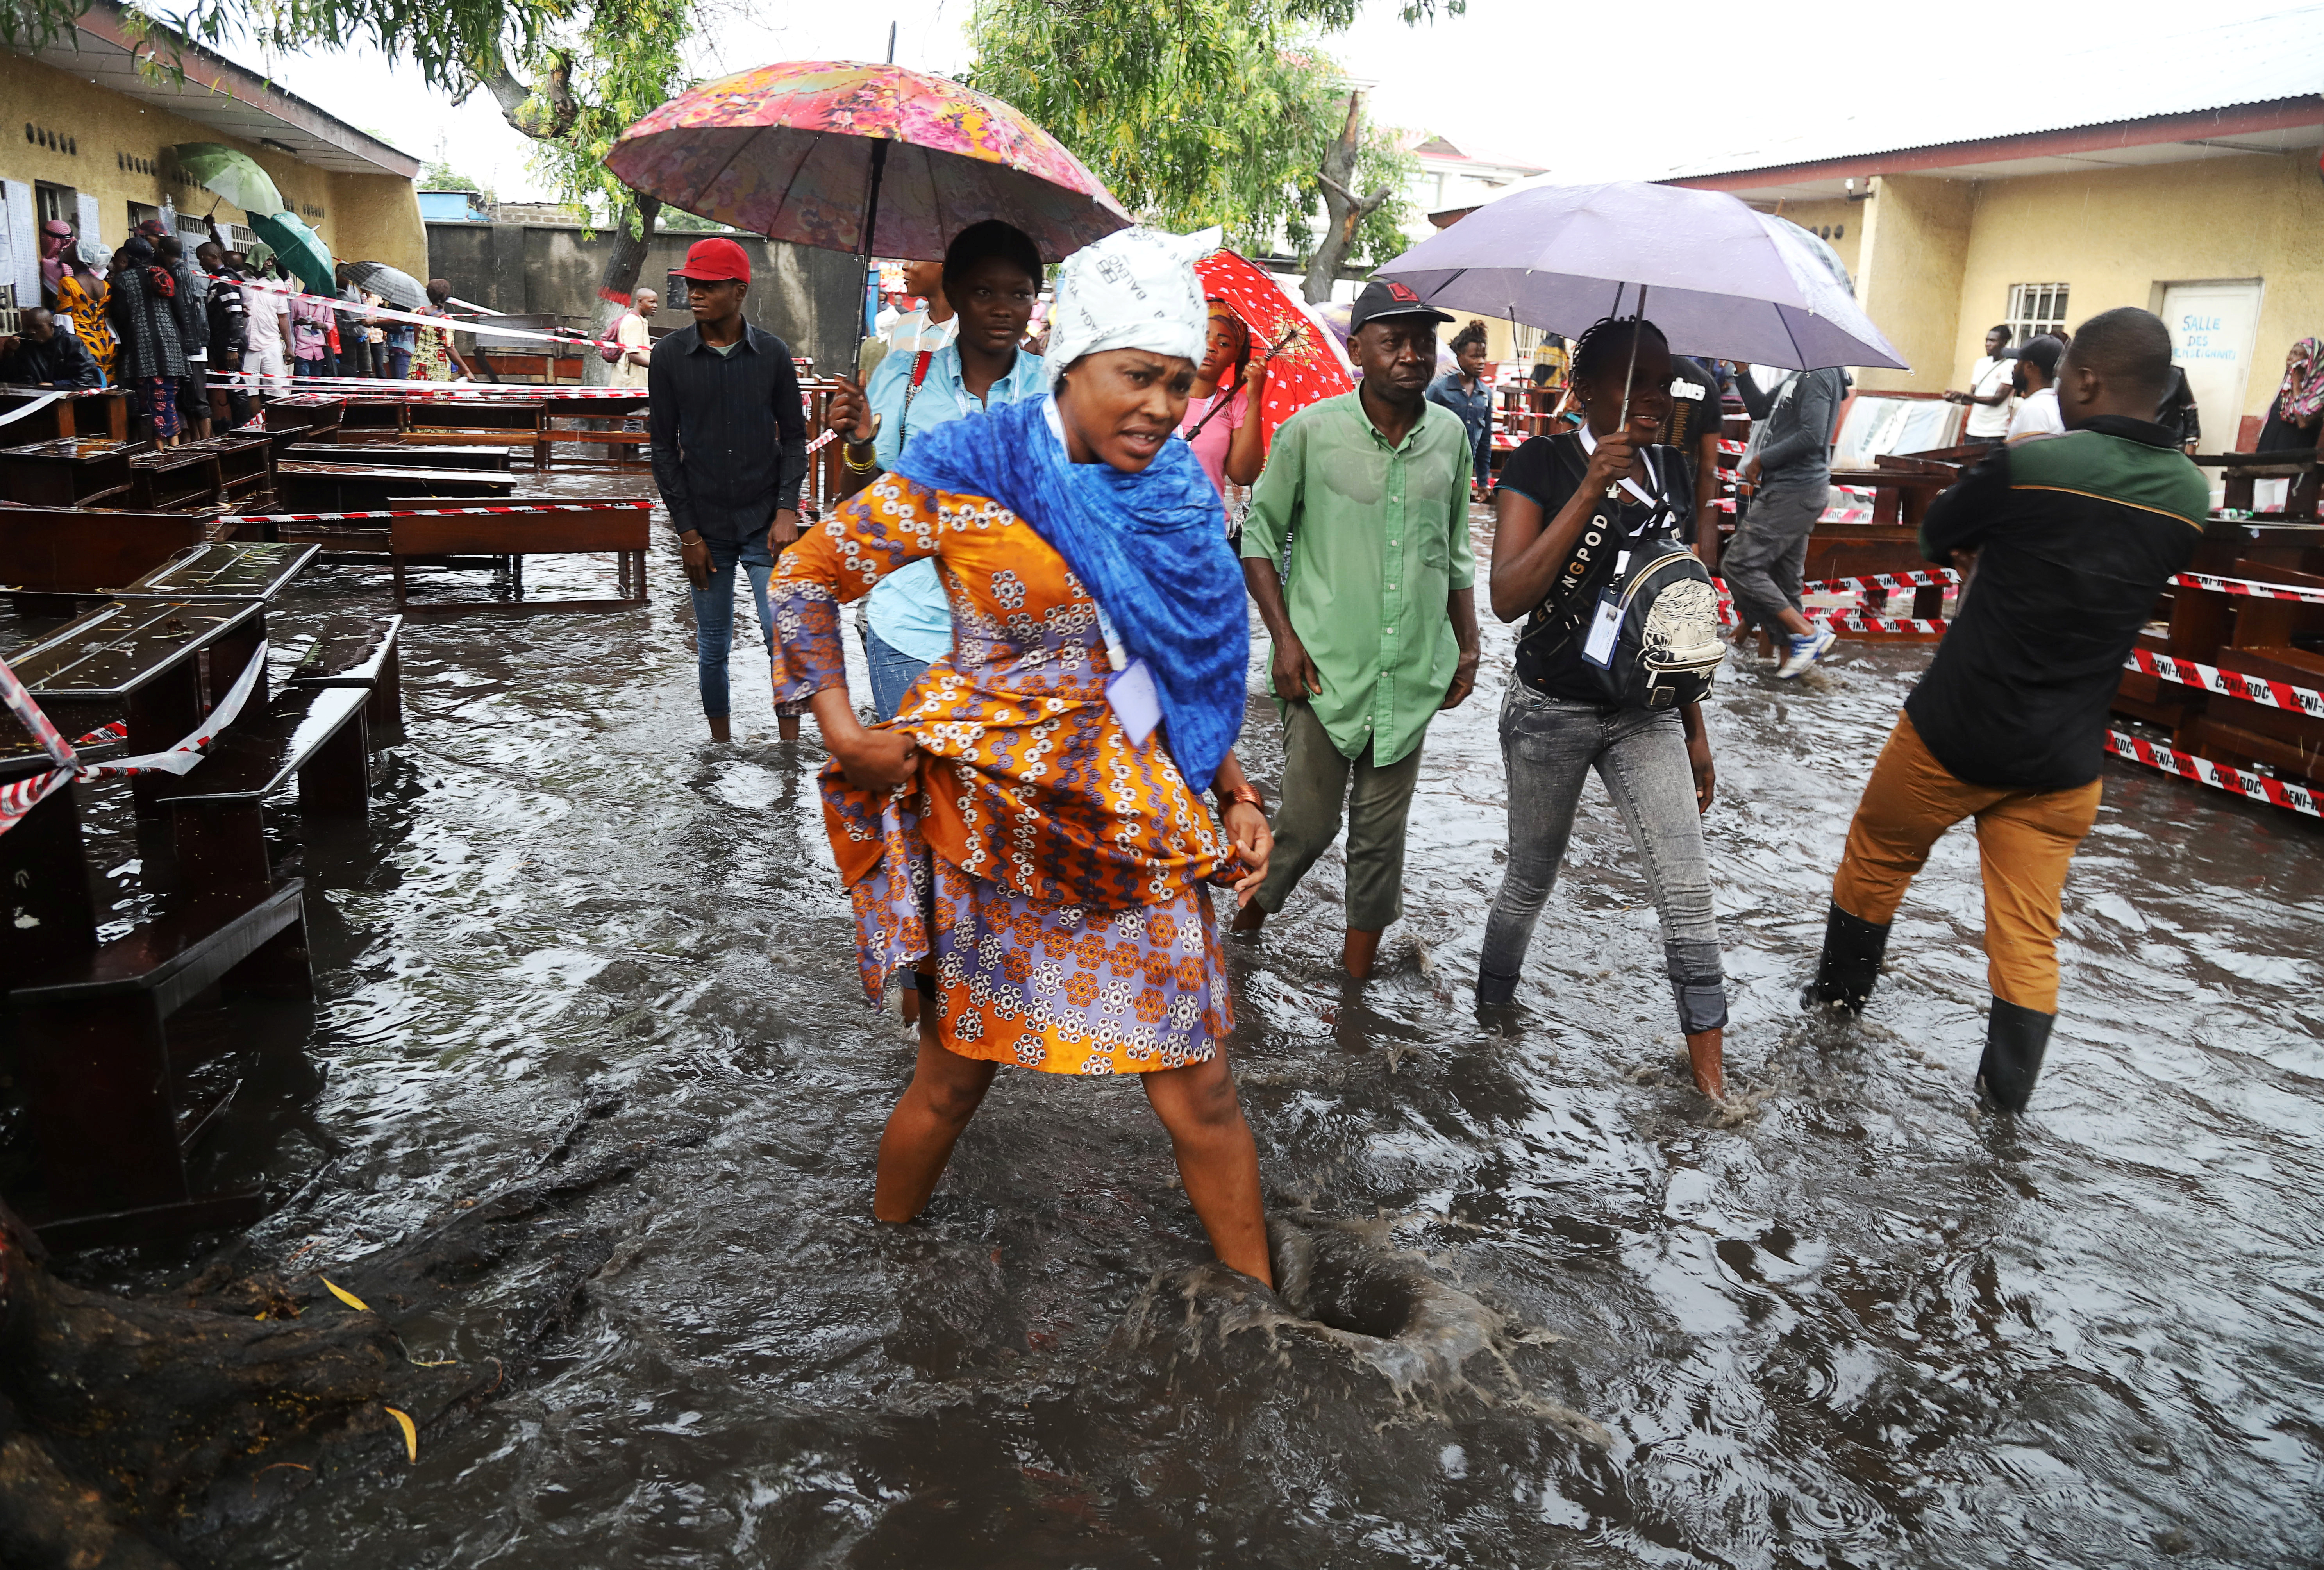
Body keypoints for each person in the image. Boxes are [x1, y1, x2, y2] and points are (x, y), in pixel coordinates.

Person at [768, 225, 1275, 1286]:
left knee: (1203, 1091)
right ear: (1075, 360)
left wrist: (1226, 783)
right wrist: (842, 726)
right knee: (954, 1081)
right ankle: (885, 1272)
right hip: (993, 820)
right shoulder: (973, 469)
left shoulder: (1173, 489)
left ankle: (1263, 1320)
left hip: (1133, 804)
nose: (1158, 406)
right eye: (1137, 376)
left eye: (1178, 383)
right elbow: (806, 577)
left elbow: (1154, 668)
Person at [1802, 309, 2208, 1113]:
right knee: (2028, 936)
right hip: (2063, 760)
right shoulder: (2189, 493)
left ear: (2087, 379)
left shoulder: (2033, 462)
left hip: (1954, 728)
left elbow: (1937, 533)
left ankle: (1829, 1024)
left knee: (1875, 862)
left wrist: (1991, 537)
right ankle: (2004, 1116)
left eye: (2061, 377)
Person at [1472, 316, 1729, 1100]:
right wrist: (1588, 489)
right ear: (1584, 390)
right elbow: (1508, 595)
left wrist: (1696, 730)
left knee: (1686, 888)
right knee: (1529, 880)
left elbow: (1676, 615)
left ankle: (1712, 1088)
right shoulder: (1541, 461)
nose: (1653, 394)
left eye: (1662, 380)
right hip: (1549, 704)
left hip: (1645, 711)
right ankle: (1488, 1020)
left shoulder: (1673, 471)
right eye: (1634, 379)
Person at [1232, 277, 1482, 981]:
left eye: (1421, 341)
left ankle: (1351, 994)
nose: (1410, 354)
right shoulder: (1311, 431)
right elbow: (1258, 537)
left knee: (1380, 841)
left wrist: (1467, 644)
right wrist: (1282, 638)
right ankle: (1241, 931)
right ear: (1357, 348)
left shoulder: (1450, 435)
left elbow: (1456, 548)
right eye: (1392, 340)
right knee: (1308, 826)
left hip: (1410, 669)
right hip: (1320, 667)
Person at [825, 221, 1049, 724]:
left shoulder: (1055, 392)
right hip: (911, 627)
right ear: (955, 293)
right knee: (919, 791)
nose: (1002, 308)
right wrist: (859, 446)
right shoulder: (906, 378)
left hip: (1019, 639)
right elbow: (859, 505)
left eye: (1020, 293)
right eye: (984, 291)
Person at [646, 237, 810, 745]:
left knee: (782, 637)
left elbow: (795, 436)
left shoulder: (774, 355)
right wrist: (687, 532)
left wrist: (787, 510)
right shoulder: (669, 357)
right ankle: (720, 748)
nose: (695, 293)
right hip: (706, 526)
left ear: (739, 292)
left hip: (765, 522)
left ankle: (787, 752)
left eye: (709, 286)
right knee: (713, 644)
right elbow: (662, 449)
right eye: (691, 284)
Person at [1729, 361, 1847, 677]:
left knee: (1739, 564)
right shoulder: (1798, 374)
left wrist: (1760, 460)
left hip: (1795, 488)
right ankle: (1792, 668)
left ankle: (1808, 634)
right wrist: (1741, 371)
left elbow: (1812, 434)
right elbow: (1759, 409)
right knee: (1785, 582)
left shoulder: (1818, 372)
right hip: (1787, 487)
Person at [1179, 300, 1267, 528]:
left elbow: (1243, 475)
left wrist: (1255, 398)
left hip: (1205, 535)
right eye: (1203, 335)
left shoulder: (1236, 405)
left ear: (1235, 355)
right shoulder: (1154, 392)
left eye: (1224, 343)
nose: (1210, 346)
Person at [107, 236, 187, 447]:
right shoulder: (163, 275)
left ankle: (163, 452)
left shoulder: (124, 280)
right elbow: (180, 311)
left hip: (142, 349)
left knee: (151, 402)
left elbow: (121, 318)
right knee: (167, 399)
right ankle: (174, 448)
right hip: (172, 348)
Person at [1663, 354, 1726, 566]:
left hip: (1629, 499)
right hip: (1681, 508)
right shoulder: (1705, 382)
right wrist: (1697, 535)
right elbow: (1709, 469)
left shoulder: (1634, 370)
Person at [1427, 320, 1496, 500]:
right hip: (1435, 475)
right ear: (1458, 356)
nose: (1481, 362)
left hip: (1464, 476)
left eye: (1484, 356)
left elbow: (1485, 443)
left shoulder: (1485, 394)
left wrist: (1483, 482)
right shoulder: (1438, 390)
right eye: (1474, 357)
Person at [41, 221, 114, 386]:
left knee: (88, 389)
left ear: (78, 257)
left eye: (71, 248)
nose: (65, 248)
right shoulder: (105, 286)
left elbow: (63, 320)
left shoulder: (69, 283)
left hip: (83, 344)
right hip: (105, 343)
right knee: (106, 390)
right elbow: (107, 319)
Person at [157, 237, 212, 439]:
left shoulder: (180, 273)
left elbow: (188, 309)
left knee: (198, 398)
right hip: (191, 343)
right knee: (188, 400)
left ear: (162, 251)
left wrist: (189, 346)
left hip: (192, 345)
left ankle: (206, 443)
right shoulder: (179, 271)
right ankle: (197, 443)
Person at [195, 239, 252, 426]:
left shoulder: (224, 280)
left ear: (213, 257)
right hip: (223, 341)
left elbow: (235, 315)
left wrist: (232, 347)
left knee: (235, 384)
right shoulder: (218, 279)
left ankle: (243, 429)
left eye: (202, 259)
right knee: (229, 384)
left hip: (230, 342)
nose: (201, 264)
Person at [1944, 324, 2017, 447]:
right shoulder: (1981, 363)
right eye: (1987, 340)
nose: (1988, 344)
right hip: (1972, 431)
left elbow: (1997, 400)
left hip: (1995, 432)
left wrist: (1963, 395)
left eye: (1993, 341)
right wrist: (1955, 398)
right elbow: (1973, 397)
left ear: (2004, 343)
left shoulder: (2012, 365)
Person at [0, 307, 103, 388]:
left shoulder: (70, 343)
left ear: (52, 326)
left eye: (38, 327)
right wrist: (9, 354)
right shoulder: (22, 343)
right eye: (28, 328)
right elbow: (12, 380)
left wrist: (56, 386)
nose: (32, 332)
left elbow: (90, 379)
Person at [2004, 334, 2065, 443]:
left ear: (2029, 366)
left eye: (2018, 361)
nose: (2014, 367)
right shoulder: (2054, 401)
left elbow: (2030, 458)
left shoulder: (2035, 409)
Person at [411, 279, 472, 380]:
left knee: (418, 396)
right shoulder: (446, 320)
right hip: (436, 369)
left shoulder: (419, 312)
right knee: (437, 395)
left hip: (417, 364)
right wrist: (467, 371)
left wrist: (377, 321)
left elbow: (399, 320)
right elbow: (449, 348)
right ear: (447, 297)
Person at [609, 286, 656, 390]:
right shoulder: (634, 322)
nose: (655, 306)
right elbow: (633, 356)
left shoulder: (639, 321)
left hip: (634, 383)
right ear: (640, 302)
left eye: (656, 303)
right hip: (630, 384)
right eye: (652, 302)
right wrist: (659, 366)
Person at [336, 265, 373, 379]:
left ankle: (365, 396)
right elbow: (339, 321)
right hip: (348, 337)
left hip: (363, 335)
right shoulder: (334, 295)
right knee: (351, 371)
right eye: (344, 276)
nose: (347, 279)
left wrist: (366, 324)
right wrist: (356, 324)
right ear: (337, 276)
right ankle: (353, 396)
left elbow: (364, 309)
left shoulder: (355, 290)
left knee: (366, 369)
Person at [2157, 365, 2201, 456]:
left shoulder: (2176, 374)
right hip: (2138, 444)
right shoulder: (2131, 374)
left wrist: (2192, 443)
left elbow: (2189, 408)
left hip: (2171, 445)